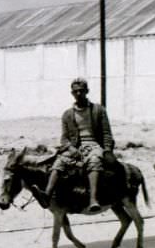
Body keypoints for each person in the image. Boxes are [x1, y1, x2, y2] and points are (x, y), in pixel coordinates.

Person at [33, 78, 115, 212]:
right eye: (75, 91)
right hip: (76, 147)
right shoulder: (67, 114)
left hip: (95, 146)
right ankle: (47, 195)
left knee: (94, 161)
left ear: (87, 91)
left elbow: (107, 133)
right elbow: (64, 139)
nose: (78, 94)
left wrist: (106, 150)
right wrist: (71, 148)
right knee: (59, 162)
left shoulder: (98, 110)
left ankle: (93, 199)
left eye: (81, 91)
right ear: (72, 93)